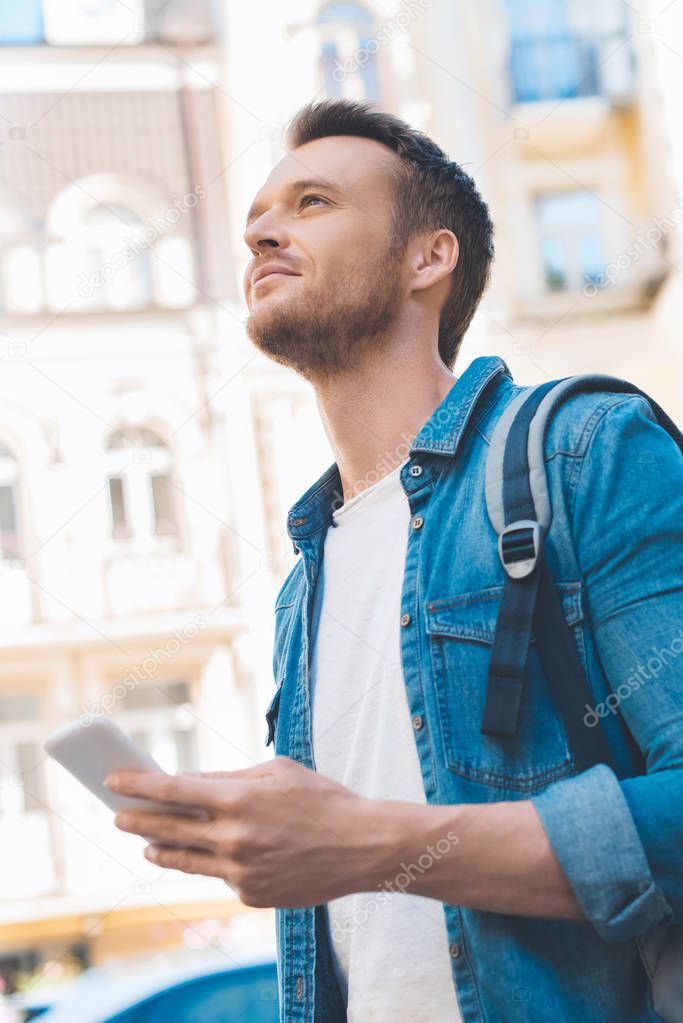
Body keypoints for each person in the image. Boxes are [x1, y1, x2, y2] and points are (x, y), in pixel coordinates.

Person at [107, 99, 683, 1022]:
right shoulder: (308, 579)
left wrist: (371, 841)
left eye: (311, 202)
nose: (260, 230)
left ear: (429, 257)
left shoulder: (583, 452)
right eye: (256, 214)